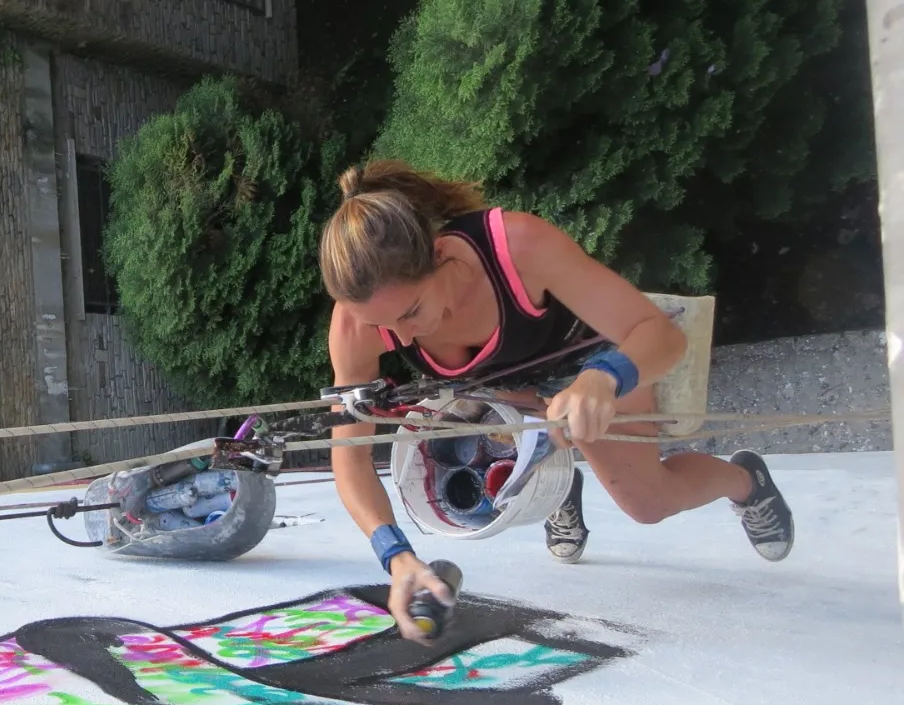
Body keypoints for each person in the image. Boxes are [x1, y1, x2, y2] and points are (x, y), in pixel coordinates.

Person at [319, 160, 795, 643]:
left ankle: (745, 481)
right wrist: (396, 556)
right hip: (507, 391)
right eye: (382, 325)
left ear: (439, 253)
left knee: (648, 502)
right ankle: (556, 481)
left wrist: (604, 379)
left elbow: (662, 337)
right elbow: (350, 457)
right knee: (463, 455)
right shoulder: (356, 325)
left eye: (411, 312)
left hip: (593, 365)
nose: (400, 338)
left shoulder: (518, 246)